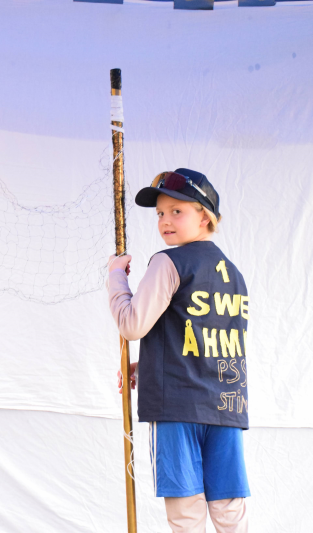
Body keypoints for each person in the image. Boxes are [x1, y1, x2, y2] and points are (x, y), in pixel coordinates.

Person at [107, 169, 250, 533]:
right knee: (229, 509)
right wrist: (151, 363)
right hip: (226, 404)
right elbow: (203, 339)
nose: (165, 221)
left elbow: (132, 324)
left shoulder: (168, 262)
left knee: (186, 511)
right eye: (160, 213)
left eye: (177, 211)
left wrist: (115, 277)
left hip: (177, 406)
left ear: (205, 216)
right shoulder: (233, 274)